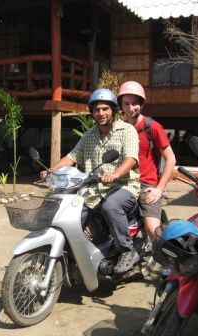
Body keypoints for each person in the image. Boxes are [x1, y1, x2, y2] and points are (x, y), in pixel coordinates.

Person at [40, 88, 141, 273]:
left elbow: (131, 159)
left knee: (110, 206)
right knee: (71, 216)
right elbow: (72, 156)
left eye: (105, 109)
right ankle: (78, 256)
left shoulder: (127, 130)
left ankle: (128, 251)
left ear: (113, 110)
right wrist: (51, 170)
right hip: (94, 189)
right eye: (96, 109)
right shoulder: (90, 134)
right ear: (92, 112)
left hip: (124, 186)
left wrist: (116, 173)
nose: (101, 113)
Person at [117, 81, 176, 239]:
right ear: (121, 105)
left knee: (153, 230)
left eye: (135, 103)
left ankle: (168, 259)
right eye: (126, 104)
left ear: (141, 103)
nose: (130, 108)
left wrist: (160, 189)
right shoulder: (119, 128)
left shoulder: (153, 127)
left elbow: (170, 159)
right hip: (123, 182)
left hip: (146, 184)